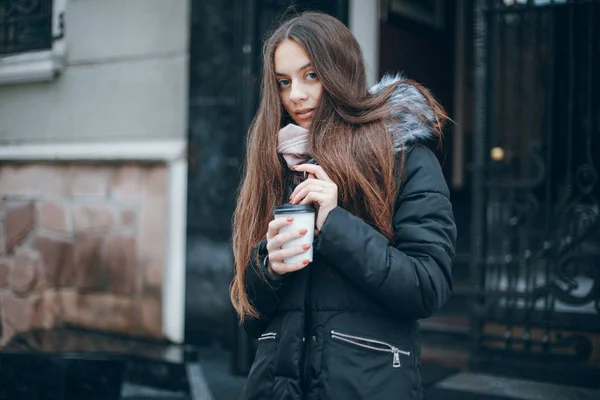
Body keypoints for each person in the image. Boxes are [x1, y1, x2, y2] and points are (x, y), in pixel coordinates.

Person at [230, 11, 456, 400]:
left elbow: (426, 286)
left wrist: (334, 225)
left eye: (311, 75)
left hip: (366, 386)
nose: (296, 95)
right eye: (283, 82)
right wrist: (270, 266)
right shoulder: (276, 162)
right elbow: (251, 318)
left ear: (341, 70)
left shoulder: (400, 157)